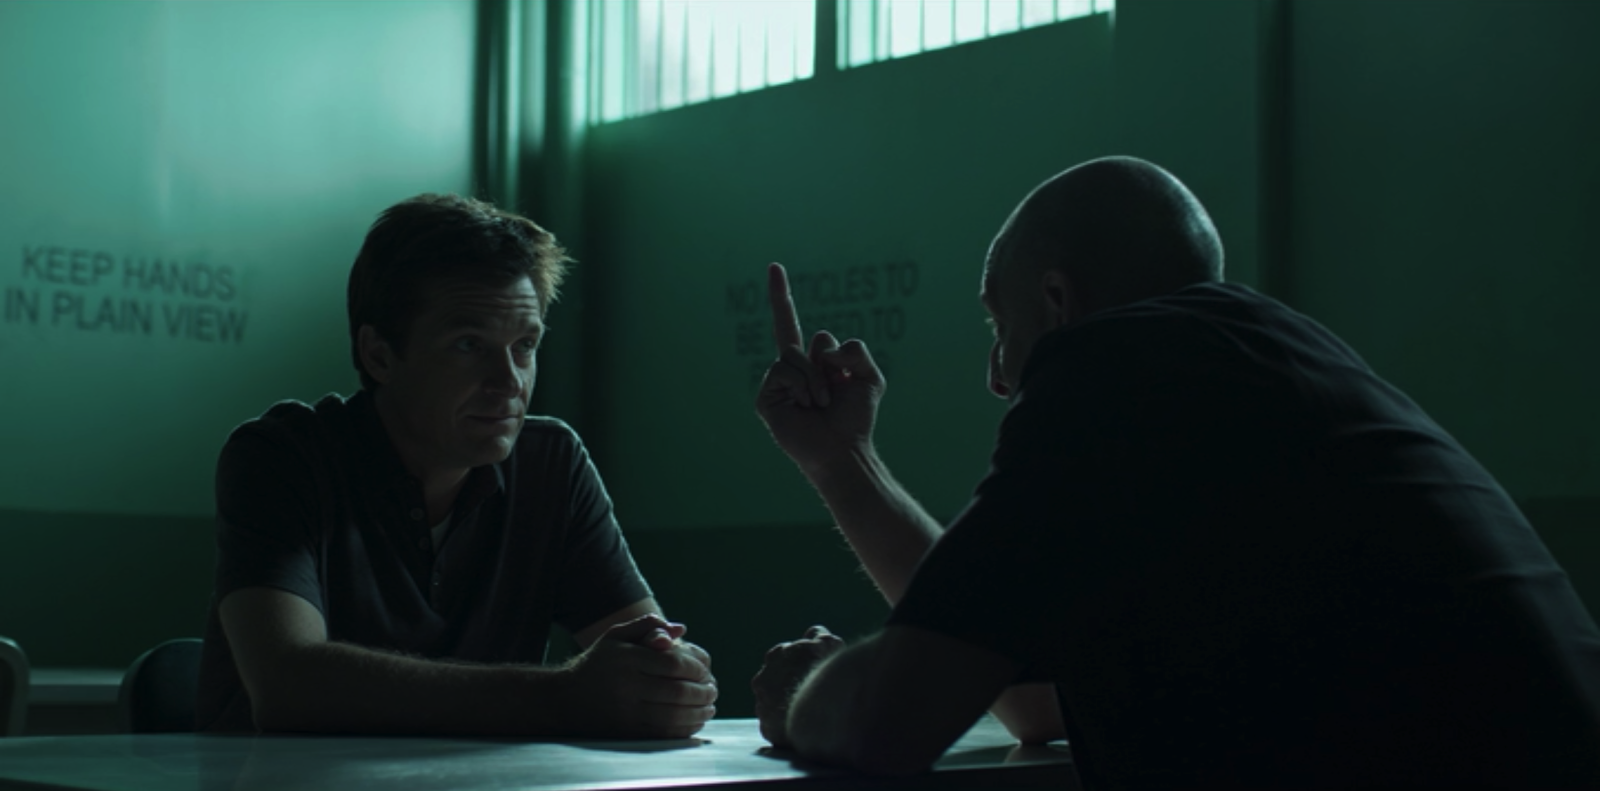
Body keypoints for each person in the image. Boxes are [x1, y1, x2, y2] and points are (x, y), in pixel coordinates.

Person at [749, 157, 1600, 787]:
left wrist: (797, 697)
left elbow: (887, 722)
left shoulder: (1114, 371)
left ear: (1057, 301)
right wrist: (843, 461)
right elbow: (1031, 695)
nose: (997, 376)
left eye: (997, 327)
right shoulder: (1272, 366)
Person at [196, 194, 716, 737]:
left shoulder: (551, 464)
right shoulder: (282, 457)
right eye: (469, 345)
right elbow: (287, 686)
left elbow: (652, 658)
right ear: (378, 355)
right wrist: (566, 692)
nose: (509, 381)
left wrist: (667, 682)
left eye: (525, 345)